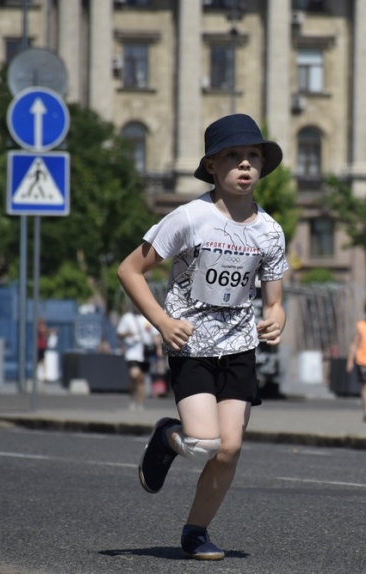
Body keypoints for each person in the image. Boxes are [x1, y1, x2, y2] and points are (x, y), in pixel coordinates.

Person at [117, 113, 287, 561]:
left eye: (254, 156)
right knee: (204, 443)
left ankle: (196, 532)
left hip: (238, 347)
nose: (246, 164)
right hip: (190, 345)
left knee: (228, 449)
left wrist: (276, 315)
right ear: (212, 165)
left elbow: (274, 297)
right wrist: (162, 321)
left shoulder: (270, 231)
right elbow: (129, 270)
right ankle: (167, 436)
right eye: (234, 156)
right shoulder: (189, 217)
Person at [116, 306, 156, 411]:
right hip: (132, 352)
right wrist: (128, 334)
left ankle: (140, 403)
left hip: (145, 353)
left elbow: (155, 334)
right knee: (134, 375)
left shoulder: (148, 317)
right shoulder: (127, 318)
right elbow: (119, 333)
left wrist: (158, 348)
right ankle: (131, 399)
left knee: (141, 379)